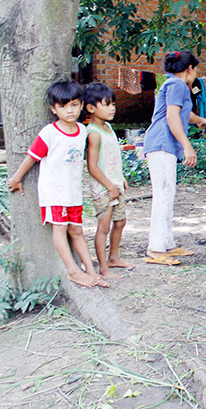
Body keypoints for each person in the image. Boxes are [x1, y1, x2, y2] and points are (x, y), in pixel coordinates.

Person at [7, 80, 104, 288]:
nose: (70, 110)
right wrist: (16, 178)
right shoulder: (49, 133)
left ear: (81, 105)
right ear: (53, 108)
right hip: (54, 192)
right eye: (63, 106)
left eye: (74, 105)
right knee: (59, 229)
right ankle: (73, 271)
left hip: (73, 193)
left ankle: (91, 271)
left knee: (77, 231)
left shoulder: (82, 130)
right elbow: (31, 157)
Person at [143, 50, 206, 265]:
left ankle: (168, 244)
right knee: (163, 194)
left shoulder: (175, 85)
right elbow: (173, 118)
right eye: (196, 69)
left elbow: (182, 114)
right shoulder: (177, 85)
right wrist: (187, 145)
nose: (196, 73)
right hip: (162, 144)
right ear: (190, 69)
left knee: (168, 193)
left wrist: (200, 120)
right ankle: (155, 249)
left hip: (166, 146)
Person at [84, 82, 135, 280]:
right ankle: (103, 267)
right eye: (106, 104)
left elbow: (113, 157)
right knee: (104, 227)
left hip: (115, 184)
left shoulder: (109, 128)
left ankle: (114, 257)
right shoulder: (94, 134)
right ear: (91, 108)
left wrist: (120, 178)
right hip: (104, 188)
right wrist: (109, 186)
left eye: (113, 103)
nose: (112, 108)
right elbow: (93, 166)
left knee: (121, 221)